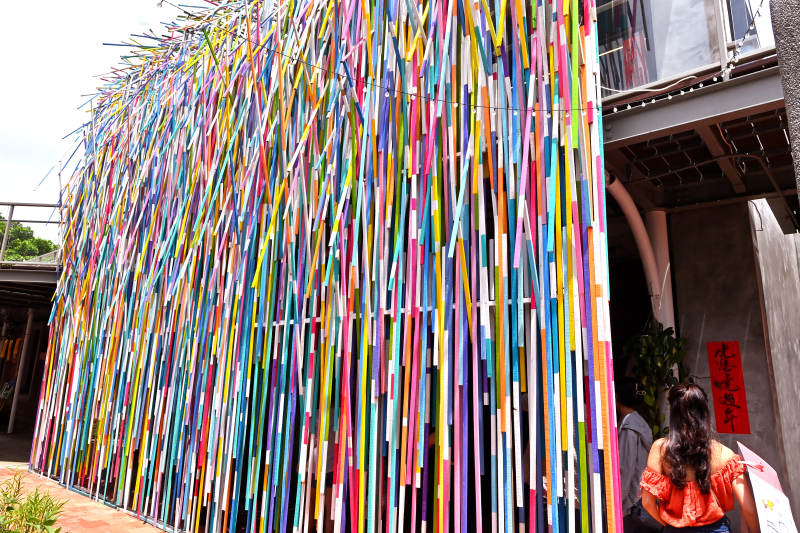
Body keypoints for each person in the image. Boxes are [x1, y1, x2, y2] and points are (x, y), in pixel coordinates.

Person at [640, 383, 760, 532]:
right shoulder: (726, 454)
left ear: (671, 410)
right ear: (704, 412)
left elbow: (647, 503)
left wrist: (671, 526)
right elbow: (748, 508)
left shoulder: (660, 449)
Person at [616, 377, 655, 533]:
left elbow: (625, 470)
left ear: (616, 396)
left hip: (629, 506)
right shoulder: (639, 422)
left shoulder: (629, 428)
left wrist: (616, 504)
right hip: (641, 500)